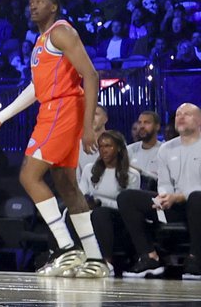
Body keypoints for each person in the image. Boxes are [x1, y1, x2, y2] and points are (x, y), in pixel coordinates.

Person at [0, 0, 105, 277]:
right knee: (65, 184)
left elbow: (91, 75)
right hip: (52, 107)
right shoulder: (41, 41)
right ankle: (96, 260)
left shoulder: (61, 32)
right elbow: (37, 88)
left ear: (54, 6)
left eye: (40, 0)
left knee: (28, 175)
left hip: (63, 108)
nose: (32, 4)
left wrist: (88, 127)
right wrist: (1, 117)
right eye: (30, 1)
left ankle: (66, 248)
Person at [116, 102, 201, 279]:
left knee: (196, 197)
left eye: (187, 114)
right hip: (174, 204)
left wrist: (178, 197)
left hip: (196, 203)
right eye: (178, 114)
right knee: (127, 197)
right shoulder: (167, 148)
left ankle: (196, 260)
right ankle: (149, 257)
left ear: (199, 120)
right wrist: (163, 196)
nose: (181, 117)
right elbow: (164, 181)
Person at [84, 130, 136, 271]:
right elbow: (82, 194)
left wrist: (101, 203)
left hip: (117, 217)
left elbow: (130, 206)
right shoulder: (89, 170)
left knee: (100, 213)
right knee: (72, 213)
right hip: (91, 212)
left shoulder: (131, 175)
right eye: (101, 146)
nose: (103, 150)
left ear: (118, 148)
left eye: (108, 146)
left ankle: (106, 262)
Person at [128, 110, 164, 183]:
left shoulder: (165, 150)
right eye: (139, 123)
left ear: (157, 127)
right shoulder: (129, 150)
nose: (142, 126)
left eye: (147, 123)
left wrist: (139, 172)